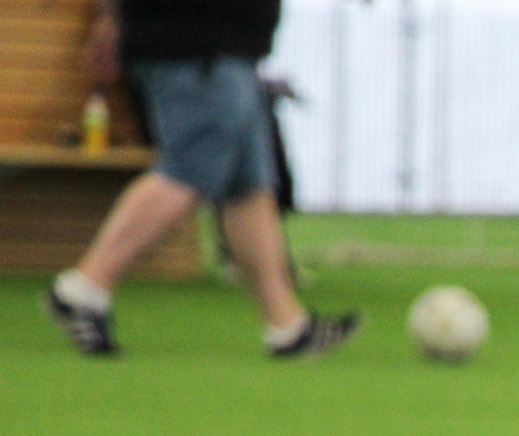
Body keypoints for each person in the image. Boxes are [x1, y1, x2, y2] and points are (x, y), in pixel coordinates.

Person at [42, 0, 357, 358]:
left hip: (223, 53)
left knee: (247, 187)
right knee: (186, 174)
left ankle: (287, 325)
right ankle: (84, 289)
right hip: (196, 50)